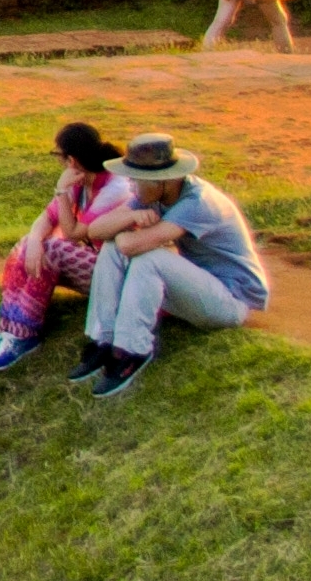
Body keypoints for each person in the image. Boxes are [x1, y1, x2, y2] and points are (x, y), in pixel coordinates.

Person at [74, 132, 273, 400]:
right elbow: (96, 230)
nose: (131, 185)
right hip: (202, 291)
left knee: (148, 258)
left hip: (231, 302)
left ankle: (133, 350)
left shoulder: (198, 202)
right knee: (112, 248)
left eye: (136, 179)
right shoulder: (155, 195)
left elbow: (131, 246)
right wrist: (131, 216)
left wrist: (121, 231)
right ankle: (104, 340)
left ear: (162, 180)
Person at [0, 122, 133, 370]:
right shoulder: (81, 181)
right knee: (26, 245)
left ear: (72, 159)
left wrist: (61, 191)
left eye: (60, 156)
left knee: (53, 249)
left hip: (117, 272)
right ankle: (7, 327)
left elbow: (73, 233)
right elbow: (46, 219)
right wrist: (34, 240)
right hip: (95, 263)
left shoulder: (114, 188)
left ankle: (25, 333)